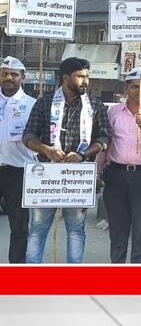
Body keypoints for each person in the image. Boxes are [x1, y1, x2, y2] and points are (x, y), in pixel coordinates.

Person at [23, 57, 110, 263]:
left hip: (78, 176)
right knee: (38, 229)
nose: (86, 81)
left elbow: (105, 138)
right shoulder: (44, 103)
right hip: (47, 175)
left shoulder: (95, 105)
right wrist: (46, 149)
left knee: (76, 229)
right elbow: (28, 136)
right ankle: (30, 280)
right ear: (65, 78)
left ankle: (73, 280)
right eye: (80, 76)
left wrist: (83, 154)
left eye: (87, 76)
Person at [101, 68, 141, 263]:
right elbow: (106, 143)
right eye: (135, 87)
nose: (140, 91)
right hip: (116, 174)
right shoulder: (114, 111)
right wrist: (98, 171)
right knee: (118, 229)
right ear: (126, 88)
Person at [0, 56, 37, 263]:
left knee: (19, 227)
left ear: (23, 77)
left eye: (14, 74)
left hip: (19, 171)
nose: (9, 78)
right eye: (4, 73)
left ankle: (16, 275)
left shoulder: (32, 105)